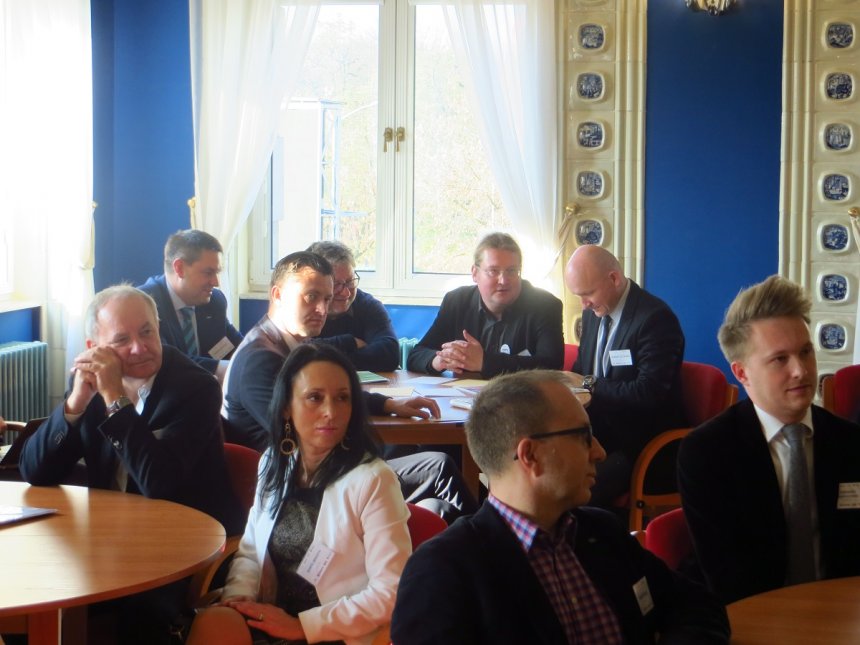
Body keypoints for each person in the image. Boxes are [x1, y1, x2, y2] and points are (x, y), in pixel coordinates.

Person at [391, 370, 729, 644]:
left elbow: (696, 606)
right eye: (584, 436)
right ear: (531, 455)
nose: (599, 452)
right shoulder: (443, 573)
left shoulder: (603, 533)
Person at [18, 285, 243, 643]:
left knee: (137, 618)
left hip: (184, 545)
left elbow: (160, 483)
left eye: (147, 332)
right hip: (109, 539)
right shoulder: (89, 383)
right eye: (122, 339)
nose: (139, 348)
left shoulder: (196, 389)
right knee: (32, 596)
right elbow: (35, 471)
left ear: (159, 328)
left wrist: (115, 399)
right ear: (95, 348)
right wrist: (76, 404)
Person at [224, 251, 476, 521]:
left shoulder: (289, 343)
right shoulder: (260, 359)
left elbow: (329, 395)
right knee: (438, 469)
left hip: (316, 473)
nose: (322, 309)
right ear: (278, 295)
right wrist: (371, 464)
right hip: (296, 490)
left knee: (439, 506)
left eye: (326, 299)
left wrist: (388, 404)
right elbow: (305, 441)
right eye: (311, 297)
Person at [187, 343, 411, 645]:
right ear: (286, 408)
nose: (331, 412)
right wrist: (239, 599)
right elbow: (252, 550)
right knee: (215, 622)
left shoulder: (373, 480)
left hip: (335, 630)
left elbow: (392, 591)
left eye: (342, 398)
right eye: (315, 397)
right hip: (272, 618)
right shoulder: (273, 462)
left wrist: (301, 626)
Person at [678, 275, 860, 604]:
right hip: (750, 613)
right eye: (780, 359)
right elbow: (727, 576)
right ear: (741, 373)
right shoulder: (707, 452)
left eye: (805, 352)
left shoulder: (851, 443)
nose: (801, 370)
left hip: (841, 611)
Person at [564, 244, 685, 506]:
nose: (584, 304)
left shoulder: (655, 319)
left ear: (614, 278)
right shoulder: (593, 312)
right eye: (579, 295)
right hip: (597, 433)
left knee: (572, 492)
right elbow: (581, 368)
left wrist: (589, 384)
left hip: (639, 443)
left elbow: (648, 393)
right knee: (540, 474)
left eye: (588, 293)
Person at [406, 232, 564, 377]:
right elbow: (416, 355)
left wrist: (484, 362)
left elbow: (552, 365)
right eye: (493, 271)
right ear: (475, 273)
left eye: (511, 271)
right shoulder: (457, 301)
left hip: (520, 397)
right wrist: (440, 359)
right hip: (462, 396)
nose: (503, 280)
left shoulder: (545, 306)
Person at [138, 229, 243, 382]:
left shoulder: (214, 301)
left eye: (217, 273)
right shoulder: (143, 306)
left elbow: (235, 346)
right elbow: (164, 360)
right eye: (208, 273)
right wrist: (221, 368)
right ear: (179, 268)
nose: (216, 282)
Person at [307, 240, 399, 371]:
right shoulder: (305, 307)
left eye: (350, 281)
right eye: (336, 284)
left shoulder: (368, 305)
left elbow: (390, 354)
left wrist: (322, 357)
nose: (346, 292)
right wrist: (349, 342)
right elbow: (298, 351)